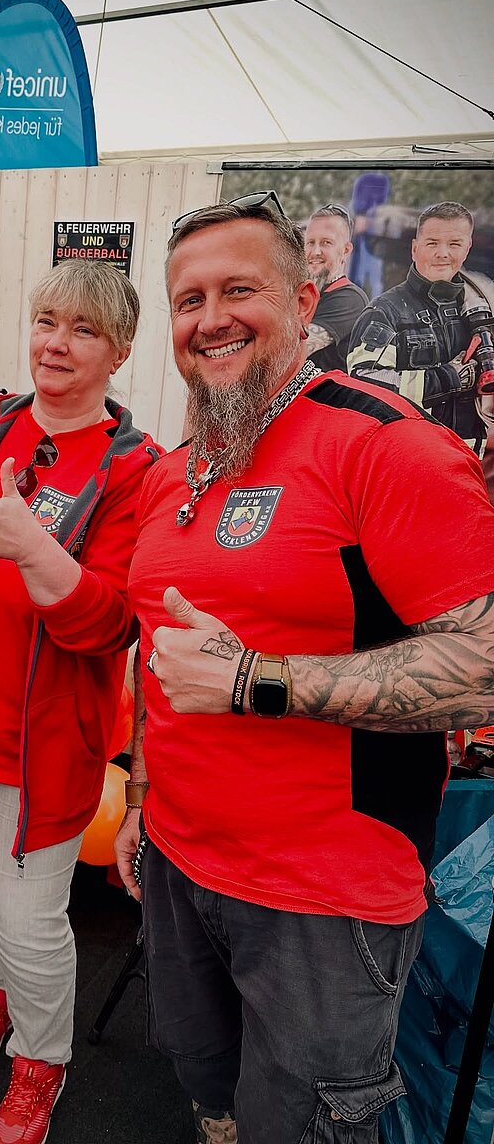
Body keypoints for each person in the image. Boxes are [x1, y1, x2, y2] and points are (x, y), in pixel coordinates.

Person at [115, 192, 494, 1144]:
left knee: (308, 1124)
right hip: (178, 856)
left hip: (324, 898)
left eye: (239, 288)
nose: (212, 318)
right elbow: (155, 657)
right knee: (212, 1097)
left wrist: (257, 680)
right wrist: (145, 794)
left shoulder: (385, 446)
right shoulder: (175, 470)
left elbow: (486, 665)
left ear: (307, 298)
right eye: (189, 298)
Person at [0, 260, 159, 1144]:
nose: (57, 343)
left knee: (28, 914)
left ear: (119, 351)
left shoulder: (135, 469)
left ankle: (40, 1062)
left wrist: (29, 548)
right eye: (48, 320)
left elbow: (111, 622)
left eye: (83, 330)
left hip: (44, 741)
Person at [348, 200, 493, 455]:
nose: (443, 253)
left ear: (467, 248)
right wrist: (447, 378)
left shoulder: (483, 305)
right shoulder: (385, 311)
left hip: (476, 459)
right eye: (432, 243)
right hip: (412, 459)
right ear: (415, 249)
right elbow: (363, 384)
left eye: (454, 244)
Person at [302, 202, 369, 371]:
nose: (315, 251)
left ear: (346, 250)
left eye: (326, 243)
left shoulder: (350, 299)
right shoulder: (301, 294)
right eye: (310, 242)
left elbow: (296, 350)